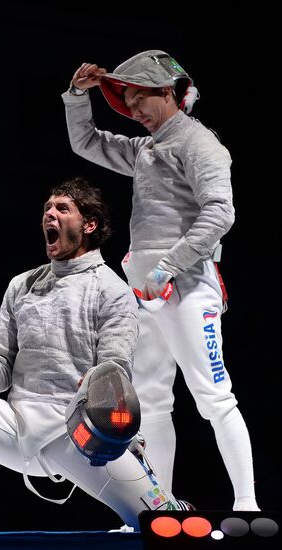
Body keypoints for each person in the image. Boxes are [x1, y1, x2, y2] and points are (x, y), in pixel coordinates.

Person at [0, 177, 191, 533]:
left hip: (78, 436)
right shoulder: (22, 285)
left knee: (165, 526)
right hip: (16, 427)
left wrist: (96, 387)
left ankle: (164, 500)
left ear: (89, 224)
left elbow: (116, 370)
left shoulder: (111, 290)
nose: (49, 214)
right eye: (47, 209)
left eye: (62, 209)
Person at [61, 51, 259, 512]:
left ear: (166, 91)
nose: (133, 110)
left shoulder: (198, 143)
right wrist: (75, 96)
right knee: (150, 401)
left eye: (138, 99)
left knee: (213, 396)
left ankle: (247, 505)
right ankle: (159, 506)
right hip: (144, 291)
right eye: (127, 102)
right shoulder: (146, 149)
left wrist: (166, 267)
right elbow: (86, 142)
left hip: (188, 285)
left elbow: (220, 213)